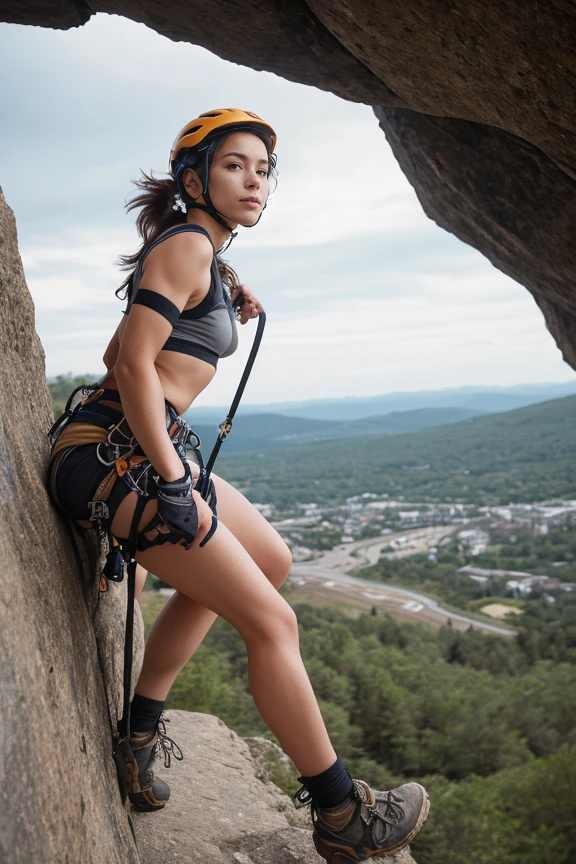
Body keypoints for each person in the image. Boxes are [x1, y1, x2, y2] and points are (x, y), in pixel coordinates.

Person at [48, 108, 430, 861]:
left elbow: (119, 344)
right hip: (111, 454)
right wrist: (169, 480)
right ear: (195, 179)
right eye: (235, 166)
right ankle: (342, 811)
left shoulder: (198, 254)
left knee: (275, 562)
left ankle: (142, 724)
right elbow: (128, 369)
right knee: (274, 622)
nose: (254, 179)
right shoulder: (189, 246)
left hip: (131, 446)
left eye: (263, 169)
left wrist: (218, 294)